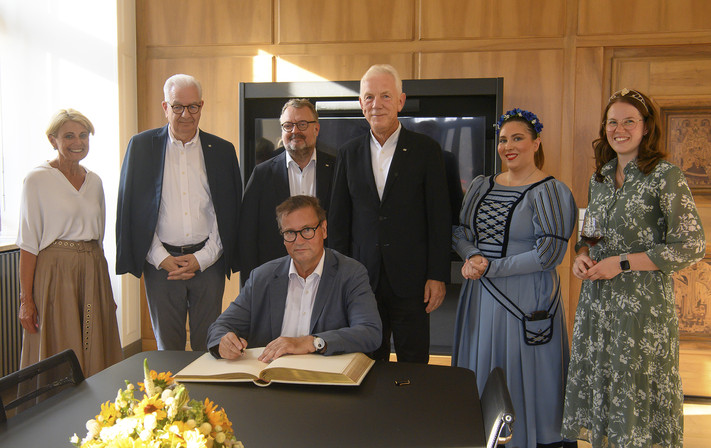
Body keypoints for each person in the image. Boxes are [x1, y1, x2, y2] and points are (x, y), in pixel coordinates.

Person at [562, 89, 705, 448]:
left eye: (629, 121)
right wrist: (581, 254)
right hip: (597, 305)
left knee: (636, 391)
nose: (619, 129)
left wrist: (622, 263)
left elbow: (691, 245)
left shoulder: (666, 176)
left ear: (645, 128)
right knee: (604, 388)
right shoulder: (600, 178)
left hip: (641, 310)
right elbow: (590, 234)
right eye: (613, 122)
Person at [452, 109, 577, 448]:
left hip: (526, 298)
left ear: (536, 142)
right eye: (503, 139)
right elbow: (460, 231)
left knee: (525, 377)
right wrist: (471, 255)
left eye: (518, 138)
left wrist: (491, 267)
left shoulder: (551, 191)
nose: (508, 146)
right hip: (480, 296)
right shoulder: (480, 185)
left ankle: (527, 440)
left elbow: (549, 253)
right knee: (483, 370)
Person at [328, 64, 451, 364]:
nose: (376, 104)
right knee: (365, 362)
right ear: (360, 104)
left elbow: (439, 218)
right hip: (361, 279)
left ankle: (411, 412)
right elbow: (340, 220)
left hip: (412, 280)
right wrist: (336, 277)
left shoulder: (427, 150)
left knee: (414, 364)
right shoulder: (348, 152)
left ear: (400, 101)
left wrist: (437, 275)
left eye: (385, 96)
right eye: (369, 97)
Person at [116, 74, 242, 351]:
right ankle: (171, 396)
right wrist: (161, 258)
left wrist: (203, 257)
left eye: (193, 107)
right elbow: (133, 211)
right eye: (177, 107)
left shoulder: (222, 150)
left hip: (208, 263)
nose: (186, 114)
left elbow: (229, 212)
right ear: (165, 107)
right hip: (161, 265)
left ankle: (205, 395)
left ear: (201, 106)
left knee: (207, 345)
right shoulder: (141, 147)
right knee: (168, 349)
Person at [207, 195, 381, 361]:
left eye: (307, 230)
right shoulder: (262, 277)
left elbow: (369, 332)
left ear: (324, 229)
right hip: (270, 378)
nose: (298, 241)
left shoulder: (351, 273)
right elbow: (219, 328)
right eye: (290, 232)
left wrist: (312, 342)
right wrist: (224, 342)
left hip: (325, 381)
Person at [17, 109, 122, 377]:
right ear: (53, 140)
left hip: (93, 268)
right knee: (60, 344)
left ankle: (97, 408)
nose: (78, 142)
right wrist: (26, 300)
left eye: (84, 135)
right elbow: (28, 244)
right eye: (69, 136)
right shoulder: (36, 180)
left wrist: (107, 291)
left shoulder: (95, 182)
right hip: (55, 271)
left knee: (94, 340)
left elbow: (99, 240)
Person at [239, 98, 335, 285]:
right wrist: (250, 284)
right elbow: (247, 233)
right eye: (288, 126)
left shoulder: (337, 168)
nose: (294, 131)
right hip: (275, 277)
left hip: (326, 276)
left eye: (302, 124)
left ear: (316, 128)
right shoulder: (262, 173)